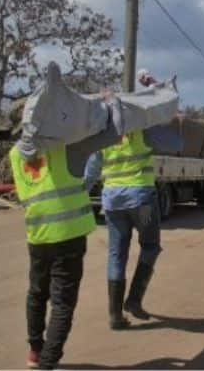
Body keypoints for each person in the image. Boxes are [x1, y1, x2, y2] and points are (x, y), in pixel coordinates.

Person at [9, 100, 128, 369]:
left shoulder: (15, 154)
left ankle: (35, 352)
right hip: (69, 235)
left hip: (37, 233)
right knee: (62, 302)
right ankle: (48, 362)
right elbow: (115, 134)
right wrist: (113, 104)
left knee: (37, 293)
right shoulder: (67, 148)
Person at [84, 123, 181, 330]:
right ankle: (134, 300)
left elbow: (90, 173)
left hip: (113, 204)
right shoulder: (143, 131)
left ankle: (115, 315)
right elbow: (176, 144)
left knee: (116, 254)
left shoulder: (102, 135)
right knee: (150, 246)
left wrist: (77, 196)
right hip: (142, 204)